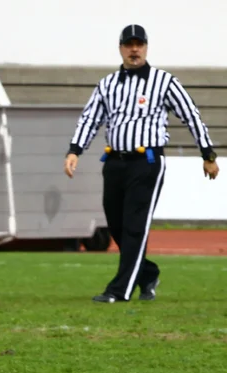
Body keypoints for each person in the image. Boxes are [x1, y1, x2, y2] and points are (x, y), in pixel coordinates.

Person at [64, 24, 219, 303]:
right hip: (114, 160)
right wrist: (75, 150)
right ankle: (147, 274)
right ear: (121, 48)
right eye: (129, 44)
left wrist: (207, 155)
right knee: (116, 225)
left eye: (139, 44)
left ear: (146, 47)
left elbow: (191, 115)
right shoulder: (108, 84)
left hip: (146, 161)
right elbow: (90, 118)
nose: (134, 49)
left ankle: (119, 291)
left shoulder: (164, 81)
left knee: (135, 225)